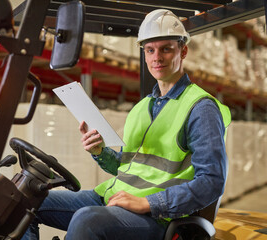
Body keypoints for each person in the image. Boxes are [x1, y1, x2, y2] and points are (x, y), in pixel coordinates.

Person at [22, 9, 231, 240]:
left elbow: (211, 181)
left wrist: (147, 202)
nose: (156, 57)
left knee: (87, 221)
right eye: (150, 50)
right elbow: (130, 167)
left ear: (183, 51)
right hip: (115, 197)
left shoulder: (200, 108)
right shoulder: (142, 108)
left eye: (166, 49)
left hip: (157, 216)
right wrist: (100, 151)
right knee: (25, 199)